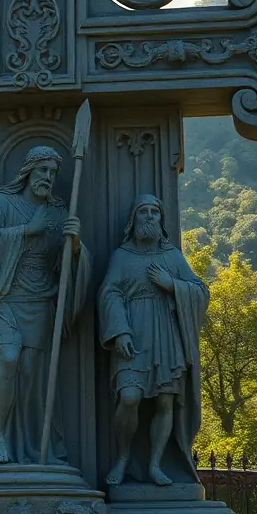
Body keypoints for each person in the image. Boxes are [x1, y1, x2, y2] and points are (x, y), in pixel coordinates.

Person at [0, 146, 90, 465]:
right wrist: (27, 230)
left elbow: (68, 264)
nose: (48, 178)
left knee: (32, 375)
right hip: (6, 298)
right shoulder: (4, 203)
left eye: (53, 173)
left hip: (40, 302)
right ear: (28, 171)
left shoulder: (58, 210)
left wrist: (76, 245)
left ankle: (35, 447)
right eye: (43, 171)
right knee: (8, 360)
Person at [98, 193, 208, 487]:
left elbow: (200, 290)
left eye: (154, 212)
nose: (149, 217)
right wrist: (119, 330)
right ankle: (122, 457)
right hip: (133, 332)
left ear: (161, 220)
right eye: (143, 212)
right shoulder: (122, 256)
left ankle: (156, 464)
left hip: (165, 333)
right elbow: (109, 293)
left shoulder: (172, 256)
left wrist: (172, 285)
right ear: (133, 220)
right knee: (130, 397)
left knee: (165, 401)